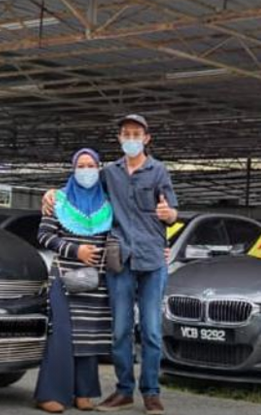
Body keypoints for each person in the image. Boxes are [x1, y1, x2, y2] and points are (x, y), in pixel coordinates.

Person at [43, 115, 178, 415]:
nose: (131, 138)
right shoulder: (109, 173)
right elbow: (84, 190)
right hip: (120, 260)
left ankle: (152, 392)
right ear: (119, 138)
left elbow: (172, 212)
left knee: (153, 331)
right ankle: (123, 391)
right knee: (119, 330)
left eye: (136, 133)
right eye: (126, 133)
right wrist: (51, 193)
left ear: (146, 138)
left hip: (153, 260)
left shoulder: (159, 171)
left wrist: (169, 215)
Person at [35, 148, 114, 414]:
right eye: (81, 165)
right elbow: (45, 236)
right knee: (63, 335)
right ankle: (51, 392)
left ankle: (84, 391)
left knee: (89, 337)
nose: (86, 170)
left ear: (99, 168)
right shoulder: (58, 200)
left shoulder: (108, 203)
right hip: (65, 279)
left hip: (96, 282)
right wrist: (75, 250)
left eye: (91, 165)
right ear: (73, 168)